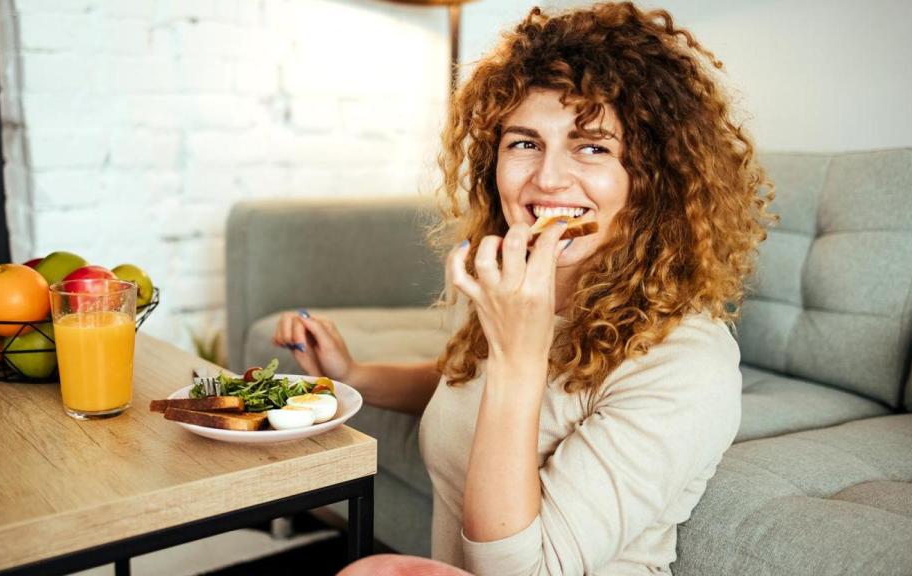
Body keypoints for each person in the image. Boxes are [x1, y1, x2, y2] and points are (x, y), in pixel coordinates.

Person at [273, 2, 772, 574]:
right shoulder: (528, 285)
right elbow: (467, 382)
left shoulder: (686, 362)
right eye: (525, 143)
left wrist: (518, 351)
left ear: (653, 179)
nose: (549, 178)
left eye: (593, 146)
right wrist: (356, 376)